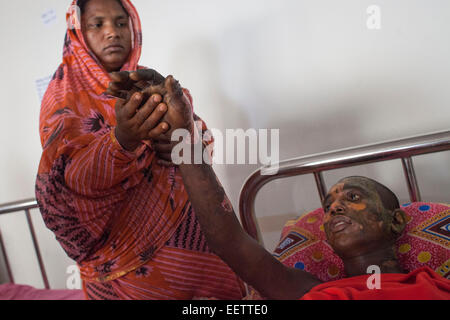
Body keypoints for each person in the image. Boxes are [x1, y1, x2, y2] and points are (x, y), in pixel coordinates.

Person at [110, 76, 450, 300]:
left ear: (395, 222)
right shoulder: (305, 290)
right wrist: (184, 135)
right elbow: (229, 241)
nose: (335, 208)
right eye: (330, 205)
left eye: (354, 197)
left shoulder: (432, 286)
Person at [35, 0, 245, 300]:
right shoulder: (63, 100)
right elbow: (67, 188)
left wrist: (180, 140)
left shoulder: (149, 80)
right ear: (77, 32)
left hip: (199, 239)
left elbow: (202, 141)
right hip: (126, 270)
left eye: (121, 23)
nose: (112, 33)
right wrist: (123, 139)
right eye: (98, 24)